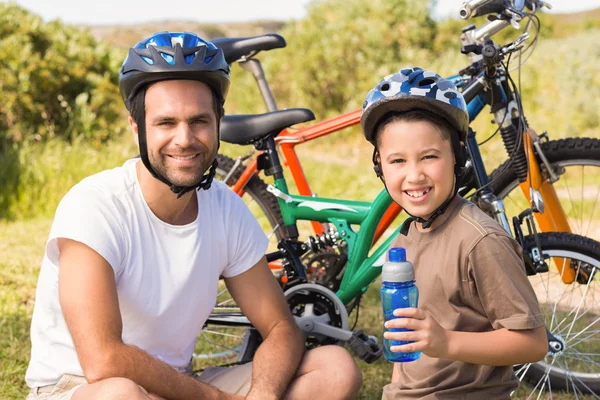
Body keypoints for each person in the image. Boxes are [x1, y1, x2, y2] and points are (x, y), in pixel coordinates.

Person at [25, 31, 362, 400]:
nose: (185, 139)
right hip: (82, 387)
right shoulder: (95, 205)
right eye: (166, 123)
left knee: (334, 368)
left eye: (199, 121)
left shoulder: (225, 208)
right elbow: (103, 360)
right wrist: (214, 398)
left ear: (218, 123)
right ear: (137, 127)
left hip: (177, 385)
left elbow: (281, 327)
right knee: (120, 394)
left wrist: (264, 394)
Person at [360, 67, 547, 399]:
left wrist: (446, 341)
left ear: (457, 155)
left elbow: (532, 343)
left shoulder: (480, 241)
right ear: (379, 165)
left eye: (429, 157)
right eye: (397, 161)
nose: (414, 176)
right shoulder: (407, 235)